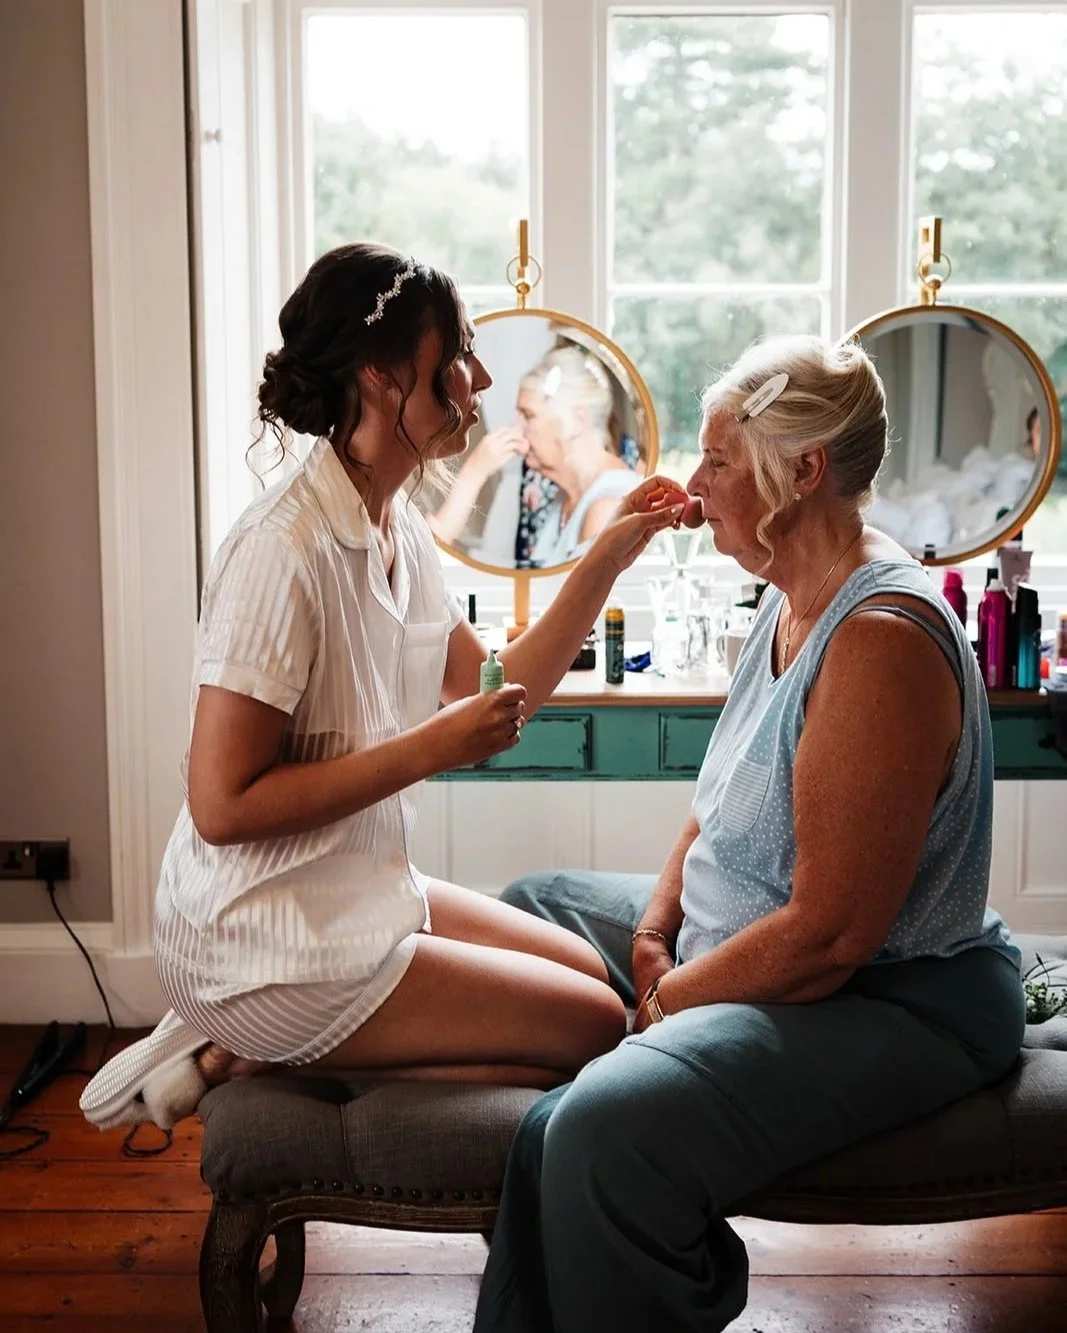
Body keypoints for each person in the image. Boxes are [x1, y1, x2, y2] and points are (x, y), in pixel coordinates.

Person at [473, 334, 1026, 1333]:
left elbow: (826, 938)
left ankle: (611, 1169)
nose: (694, 481)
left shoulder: (878, 640)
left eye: (719, 459)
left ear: (801, 469)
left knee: (594, 1125)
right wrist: (649, 935)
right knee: (531, 905)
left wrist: (670, 996)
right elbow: (712, 800)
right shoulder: (786, 594)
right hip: (765, 946)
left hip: (892, 995)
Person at [78, 243, 689, 1132]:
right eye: (459, 357)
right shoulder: (282, 552)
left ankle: (254, 1050)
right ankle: (251, 1039)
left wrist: (606, 556)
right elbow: (220, 804)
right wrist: (429, 749)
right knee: (598, 1026)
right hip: (262, 937)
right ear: (381, 375)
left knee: (594, 981)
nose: (478, 378)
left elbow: (501, 683)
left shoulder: (395, 522)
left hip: (353, 885)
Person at [427, 345, 638, 566]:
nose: (516, 428)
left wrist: (472, 476)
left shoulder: (605, 509)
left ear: (577, 421)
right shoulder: (564, 500)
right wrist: (474, 474)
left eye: (528, 415)